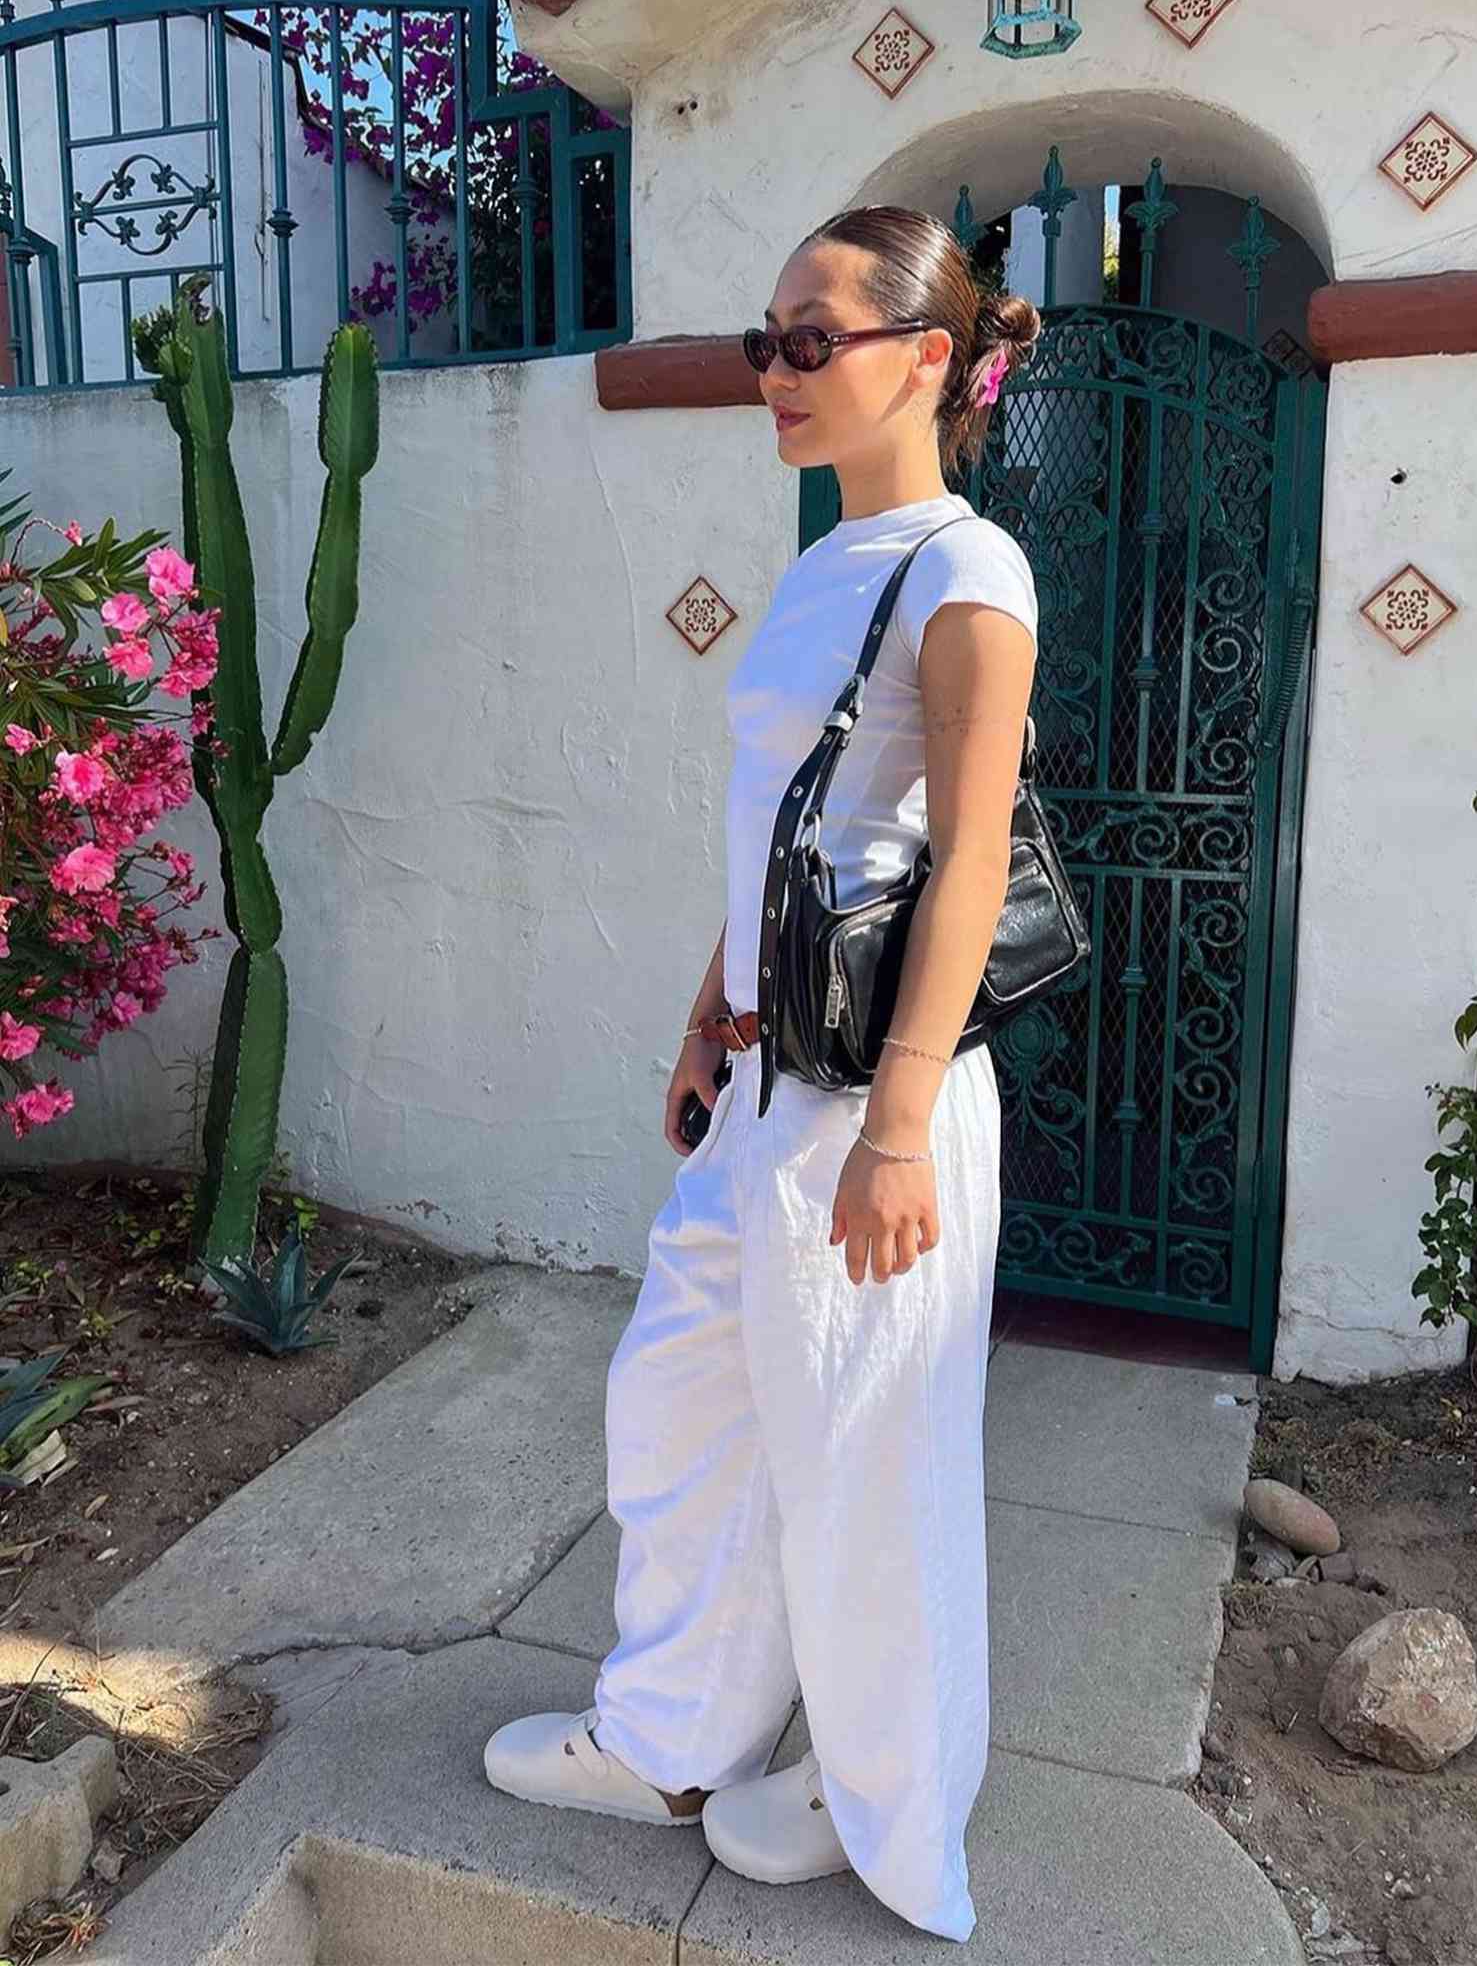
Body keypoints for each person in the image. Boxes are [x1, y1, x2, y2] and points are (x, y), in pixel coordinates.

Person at [483, 204, 1042, 1945]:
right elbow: (781, 832)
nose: (777, 373)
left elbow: (966, 861)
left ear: (927, 360)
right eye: (766, 344)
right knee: (682, 1408)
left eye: (815, 340)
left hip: (880, 1105)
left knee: (873, 1462)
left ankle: (893, 1814)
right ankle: (666, 1741)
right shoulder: (823, 567)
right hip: (767, 1095)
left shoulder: (970, 572)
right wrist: (703, 1017)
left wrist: (896, 1124)